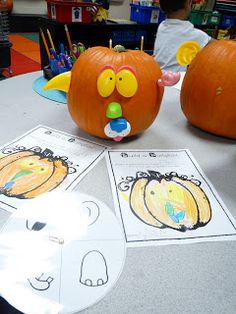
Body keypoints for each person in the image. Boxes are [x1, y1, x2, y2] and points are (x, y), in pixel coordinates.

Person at [153, 0, 214, 72]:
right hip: (178, 81)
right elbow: (220, 46)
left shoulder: (162, 26)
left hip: (156, 76)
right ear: (187, 3)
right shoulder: (195, 34)